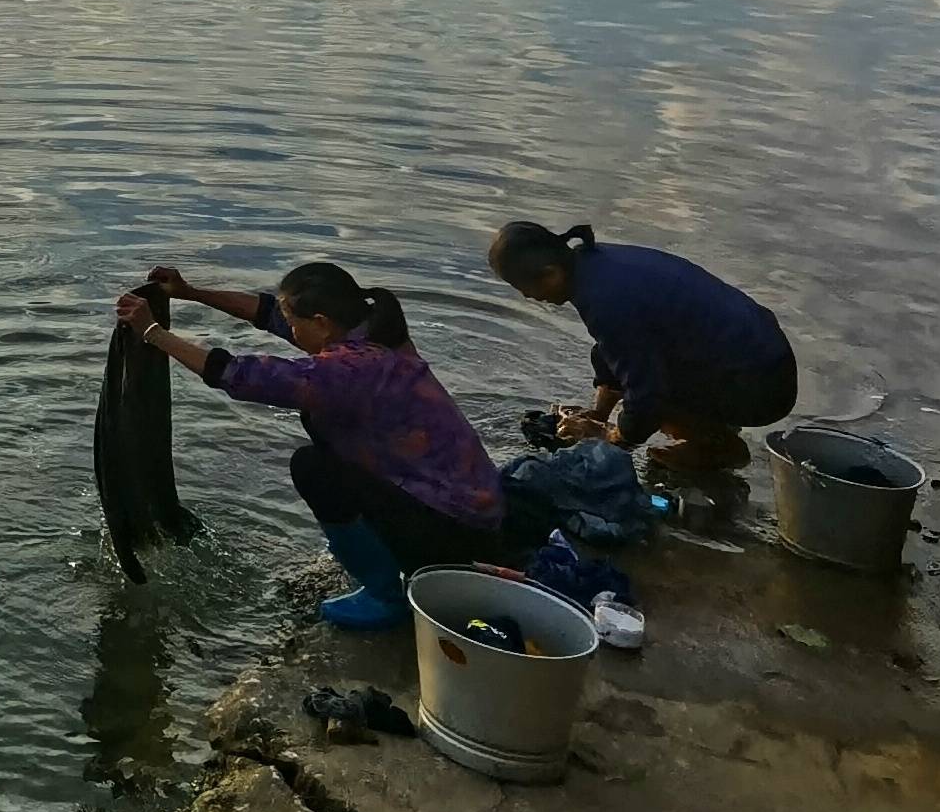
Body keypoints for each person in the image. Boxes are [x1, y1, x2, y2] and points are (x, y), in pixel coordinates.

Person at [119, 259, 511, 630]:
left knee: (314, 469)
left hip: (456, 531)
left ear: (321, 323)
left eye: (295, 324)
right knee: (332, 463)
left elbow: (239, 375)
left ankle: (385, 595)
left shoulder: (351, 370)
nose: (288, 331)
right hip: (474, 505)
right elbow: (269, 313)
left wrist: (153, 333)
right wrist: (189, 292)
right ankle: (391, 563)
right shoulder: (375, 328)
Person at [488, 221, 795, 470]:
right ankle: (709, 422)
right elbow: (612, 351)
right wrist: (599, 415)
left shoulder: (605, 300)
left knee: (649, 394)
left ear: (550, 274)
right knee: (619, 358)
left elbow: (646, 395)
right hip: (758, 355)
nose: (528, 297)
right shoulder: (593, 264)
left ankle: (717, 447)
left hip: (762, 386)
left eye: (525, 289)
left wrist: (612, 440)